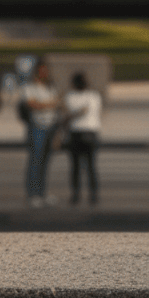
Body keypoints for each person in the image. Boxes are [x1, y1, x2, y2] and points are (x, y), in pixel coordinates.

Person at [21, 58, 60, 207]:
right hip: (37, 126)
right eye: (42, 70)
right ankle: (32, 194)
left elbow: (57, 104)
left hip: (51, 126)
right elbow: (33, 105)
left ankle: (42, 192)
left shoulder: (50, 87)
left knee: (45, 161)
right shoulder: (29, 87)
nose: (45, 73)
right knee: (35, 160)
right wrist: (51, 103)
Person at [63, 71, 102, 205]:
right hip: (91, 132)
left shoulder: (69, 97)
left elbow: (67, 114)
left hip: (76, 133)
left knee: (76, 167)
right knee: (90, 166)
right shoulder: (94, 96)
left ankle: (76, 194)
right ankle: (93, 194)